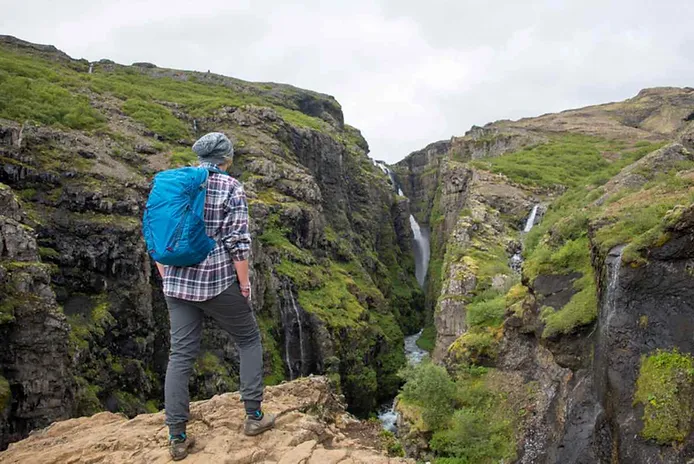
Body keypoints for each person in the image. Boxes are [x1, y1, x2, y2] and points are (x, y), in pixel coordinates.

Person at [155, 132, 275, 461]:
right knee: (249, 340)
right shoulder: (230, 187)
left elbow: (156, 233)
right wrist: (245, 283)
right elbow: (239, 242)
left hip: (177, 283)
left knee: (180, 356)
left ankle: (177, 437)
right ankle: (254, 418)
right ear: (227, 158)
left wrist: (168, 275)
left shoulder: (175, 183)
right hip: (217, 282)